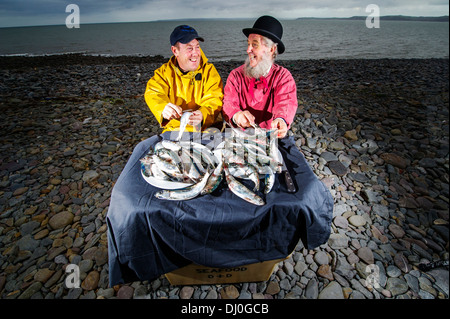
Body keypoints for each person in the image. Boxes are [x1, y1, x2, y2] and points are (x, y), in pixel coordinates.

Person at [222, 16, 297, 138]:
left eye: (254, 45)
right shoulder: (236, 75)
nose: (248, 50)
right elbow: (229, 102)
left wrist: (281, 120)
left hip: (272, 136)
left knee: (294, 157)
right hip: (240, 135)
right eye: (248, 44)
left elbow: (286, 102)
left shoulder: (283, 77)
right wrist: (236, 115)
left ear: (272, 49)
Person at [144, 25, 223, 133]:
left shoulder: (209, 71)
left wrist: (203, 114)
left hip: (206, 130)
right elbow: (153, 93)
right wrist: (163, 108)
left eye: (197, 47)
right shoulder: (163, 74)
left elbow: (215, 98)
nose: (195, 53)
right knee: (141, 149)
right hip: (174, 131)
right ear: (175, 50)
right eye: (189, 48)